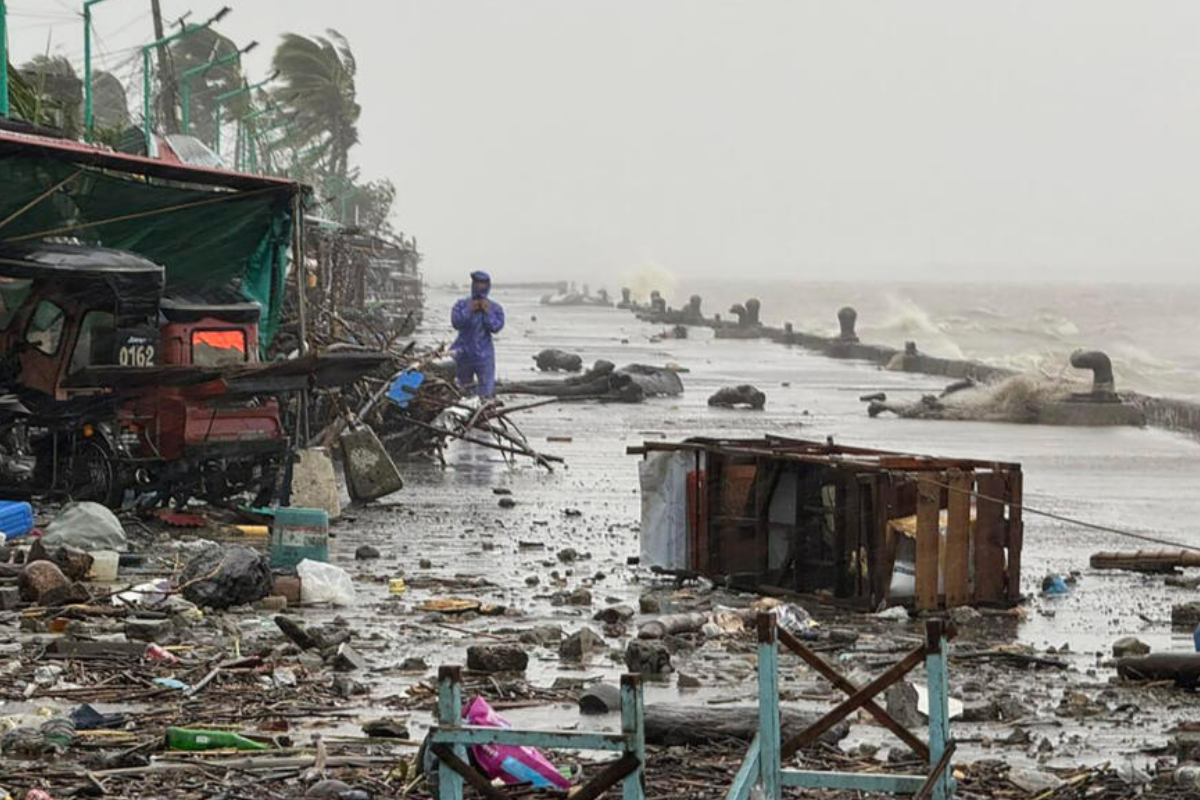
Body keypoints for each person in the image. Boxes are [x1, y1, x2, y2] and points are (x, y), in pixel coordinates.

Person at [451, 270, 505, 397]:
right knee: (462, 391)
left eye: (482, 283)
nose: (479, 286)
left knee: (486, 392)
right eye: (476, 282)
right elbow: (456, 323)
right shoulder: (461, 305)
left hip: (484, 355)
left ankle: (483, 412)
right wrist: (469, 310)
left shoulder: (495, 308)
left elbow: (496, 327)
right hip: (463, 353)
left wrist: (487, 313)